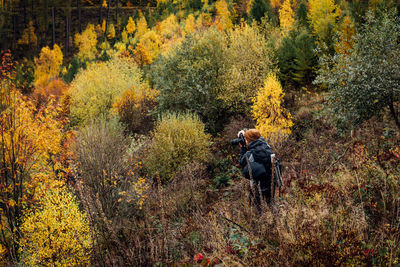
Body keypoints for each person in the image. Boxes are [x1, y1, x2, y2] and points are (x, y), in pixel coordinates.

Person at [238, 129, 273, 213]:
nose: (245, 141)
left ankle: (259, 222)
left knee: (256, 206)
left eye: (246, 140)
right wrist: (244, 133)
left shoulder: (251, 153)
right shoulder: (265, 146)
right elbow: (257, 136)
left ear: (250, 141)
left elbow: (242, 163)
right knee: (270, 203)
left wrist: (243, 148)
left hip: (257, 184)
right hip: (270, 181)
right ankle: (276, 220)